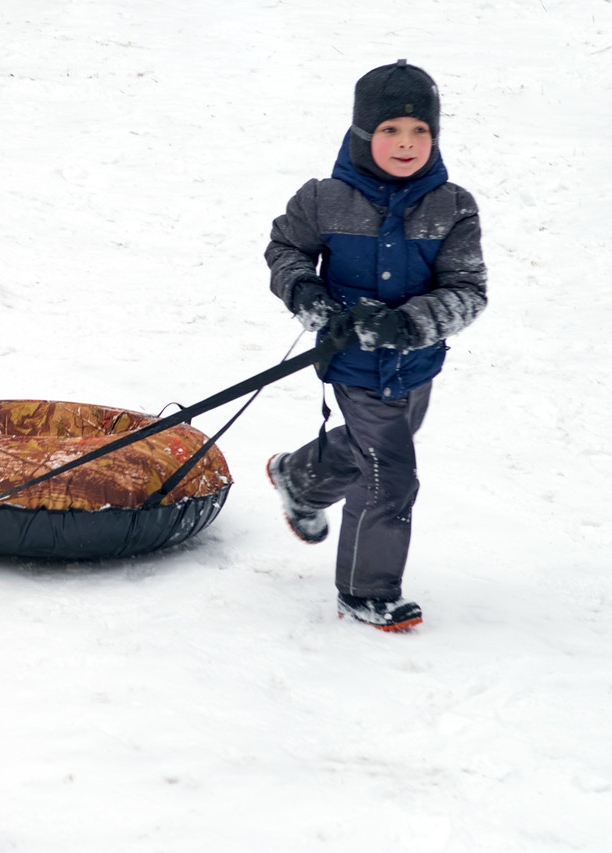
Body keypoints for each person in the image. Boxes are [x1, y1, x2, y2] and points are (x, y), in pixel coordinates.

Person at [264, 60, 487, 631]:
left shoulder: (453, 207)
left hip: (417, 364)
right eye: (390, 130)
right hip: (353, 365)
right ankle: (367, 590)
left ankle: (300, 478)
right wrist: (310, 295)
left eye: (420, 131)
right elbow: (285, 251)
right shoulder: (324, 199)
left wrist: (409, 325)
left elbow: (468, 290)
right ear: (364, 133)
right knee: (390, 473)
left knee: (378, 447)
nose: (406, 143)